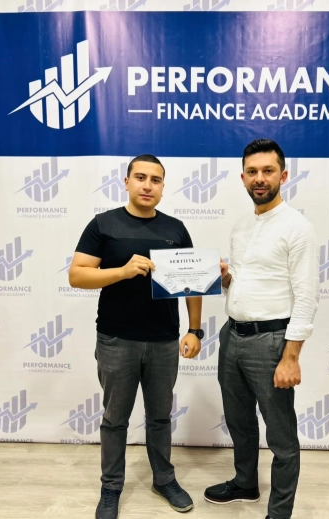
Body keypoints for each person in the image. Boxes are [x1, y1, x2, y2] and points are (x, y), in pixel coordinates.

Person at [69, 154, 203, 519]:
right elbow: (77, 275)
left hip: (163, 340)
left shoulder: (175, 229)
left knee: (160, 417)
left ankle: (164, 479)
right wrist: (122, 271)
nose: (147, 185)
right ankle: (111, 487)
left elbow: (193, 283)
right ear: (127, 182)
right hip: (116, 339)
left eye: (155, 180)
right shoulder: (103, 224)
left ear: (163, 187)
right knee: (115, 419)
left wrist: (194, 329)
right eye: (140, 177)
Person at [204, 139, 319, 519]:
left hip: (271, 342)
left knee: (281, 436)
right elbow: (244, 282)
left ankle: (279, 513)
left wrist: (291, 357)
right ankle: (245, 483)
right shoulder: (241, 226)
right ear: (242, 178)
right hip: (232, 336)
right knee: (239, 421)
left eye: (268, 171)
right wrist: (225, 279)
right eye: (252, 172)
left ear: (283, 176)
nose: (259, 178)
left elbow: (307, 297)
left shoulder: (297, 227)